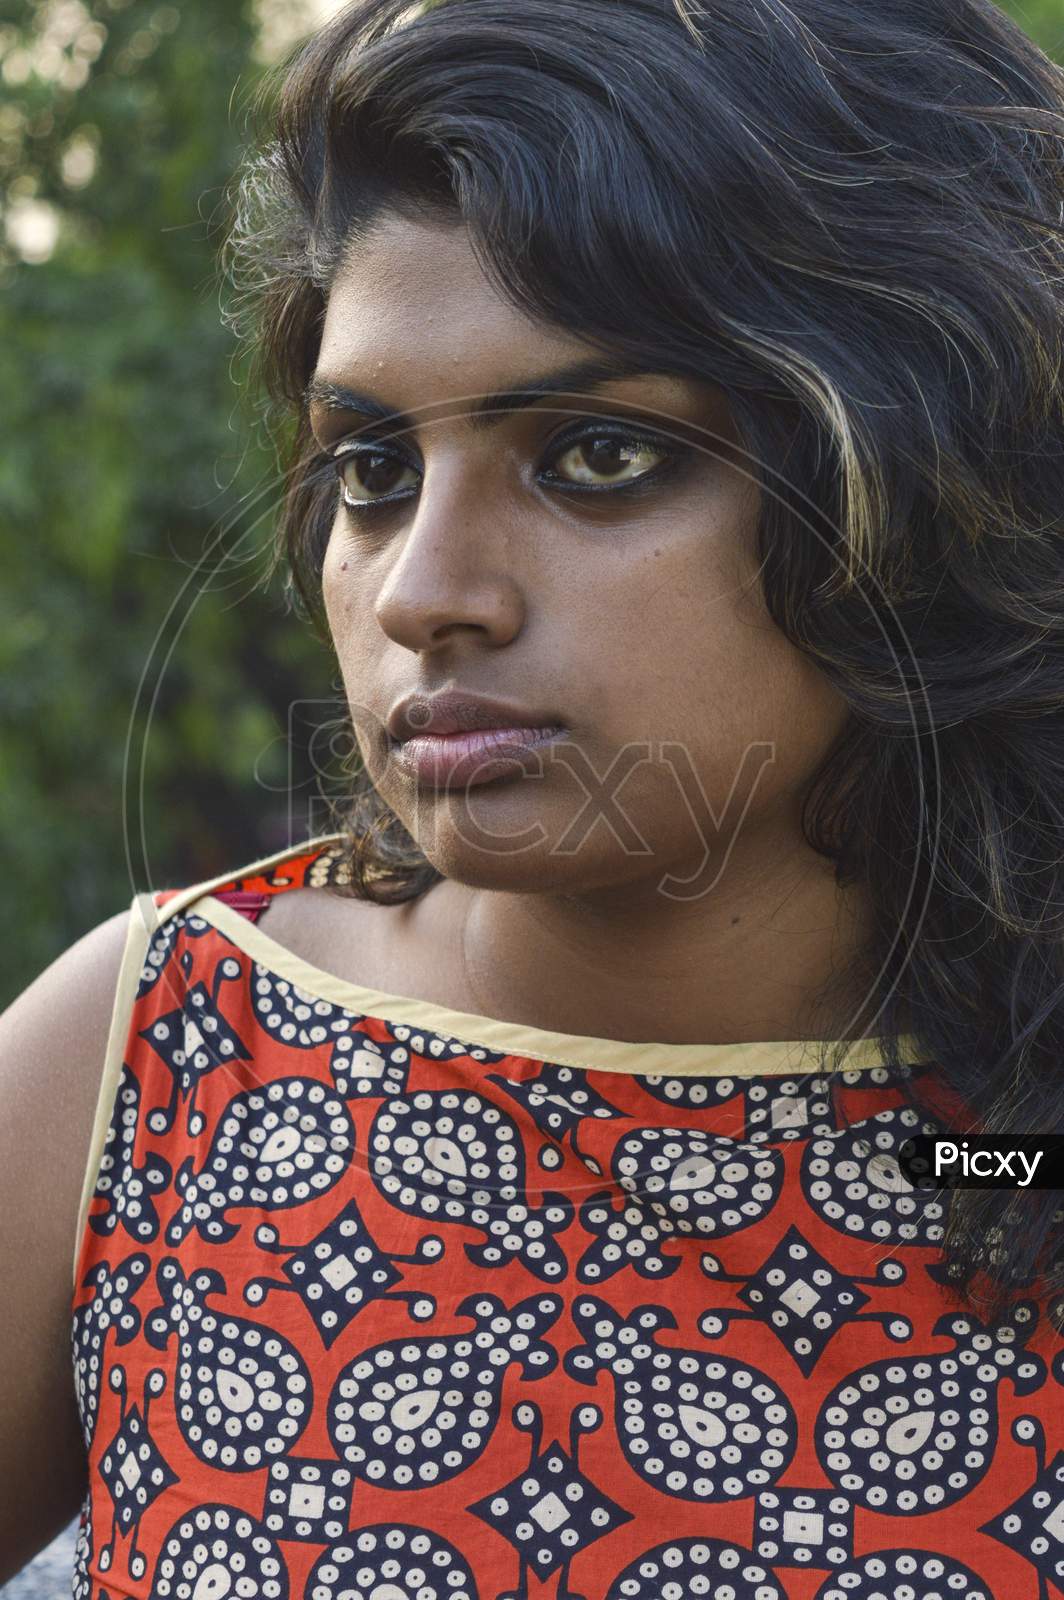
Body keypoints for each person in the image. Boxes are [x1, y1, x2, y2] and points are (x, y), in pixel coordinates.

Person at [4, 0, 1064, 1594]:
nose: (431, 590)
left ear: (918, 480)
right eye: (372, 467)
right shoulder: (155, 1059)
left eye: (599, 457)